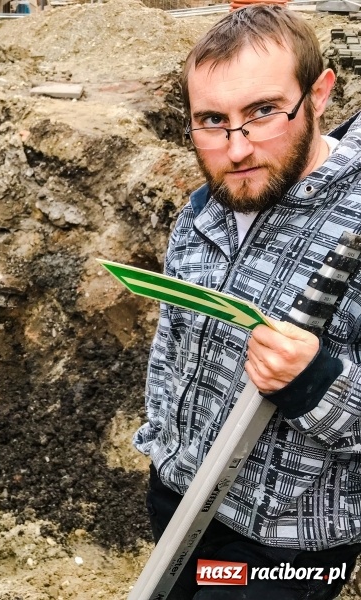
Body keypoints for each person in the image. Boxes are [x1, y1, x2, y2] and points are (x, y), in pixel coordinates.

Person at [133, 4, 361, 598]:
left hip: (284, 545)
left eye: (263, 113)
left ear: (319, 95)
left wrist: (318, 383)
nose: (236, 150)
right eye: (211, 120)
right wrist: (163, 451)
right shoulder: (204, 209)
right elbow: (172, 350)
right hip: (180, 503)